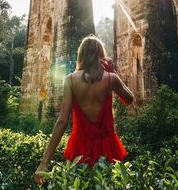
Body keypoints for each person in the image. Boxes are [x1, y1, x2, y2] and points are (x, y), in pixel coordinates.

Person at [34, 34, 134, 184]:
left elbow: (62, 121)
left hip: (79, 149)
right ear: (101, 56)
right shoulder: (110, 79)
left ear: (81, 55)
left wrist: (44, 163)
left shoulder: (70, 80)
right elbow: (129, 99)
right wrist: (113, 72)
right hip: (107, 147)